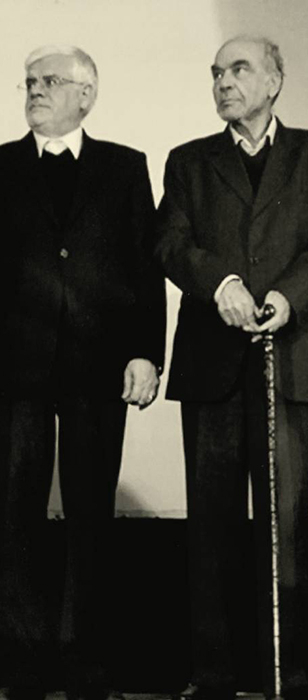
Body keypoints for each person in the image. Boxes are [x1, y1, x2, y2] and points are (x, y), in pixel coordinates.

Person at [156, 35, 308, 700]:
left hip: (290, 362)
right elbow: (170, 242)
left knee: (285, 529)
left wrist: (286, 297)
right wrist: (223, 284)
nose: (224, 82)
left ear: (274, 81)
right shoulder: (189, 161)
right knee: (209, 533)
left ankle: (285, 676)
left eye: (239, 70)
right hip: (212, 369)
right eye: (216, 73)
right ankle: (210, 676)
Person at [0, 45, 165, 700]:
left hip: (98, 368)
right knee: (13, 513)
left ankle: (85, 660)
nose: (35, 91)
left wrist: (146, 352)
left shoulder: (125, 167)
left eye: (50, 81)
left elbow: (144, 265)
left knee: (91, 514)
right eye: (29, 82)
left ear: (86, 95)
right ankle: (20, 661)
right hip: (15, 369)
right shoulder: (1, 167)